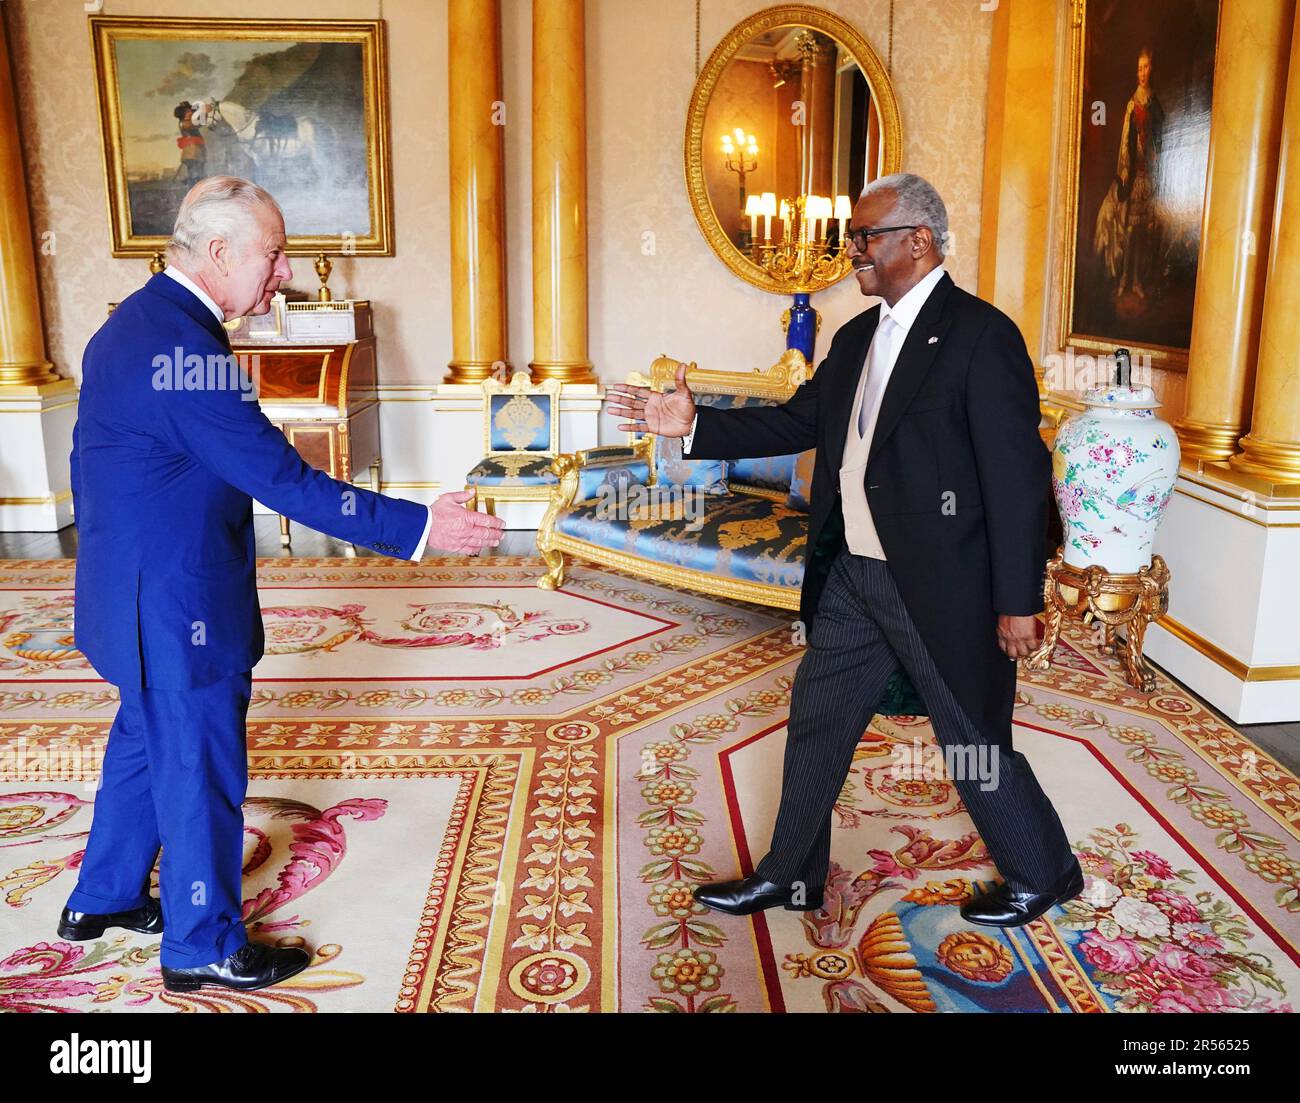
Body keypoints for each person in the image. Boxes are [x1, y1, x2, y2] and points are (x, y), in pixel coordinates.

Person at [60, 176, 504, 992]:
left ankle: (104, 897)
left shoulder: (133, 321)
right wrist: (420, 527)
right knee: (198, 770)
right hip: (174, 607)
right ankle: (202, 944)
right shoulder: (184, 354)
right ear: (220, 252)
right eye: (273, 252)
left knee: (141, 740)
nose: (285, 269)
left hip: (126, 596)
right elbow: (287, 482)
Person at [607, 173, 1083, 928]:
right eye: (852, 238)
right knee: (817, 720)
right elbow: (795, 422)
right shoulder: (858, 334)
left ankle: (1045, 871)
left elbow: (1016, 481)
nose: (850, 251)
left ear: (918, 241)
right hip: (854, 575)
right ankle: (790, 875)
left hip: (943, 583)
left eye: (864, 237)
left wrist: (1019, 599)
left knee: (970, 741)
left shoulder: (981, 336)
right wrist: (692, 425)